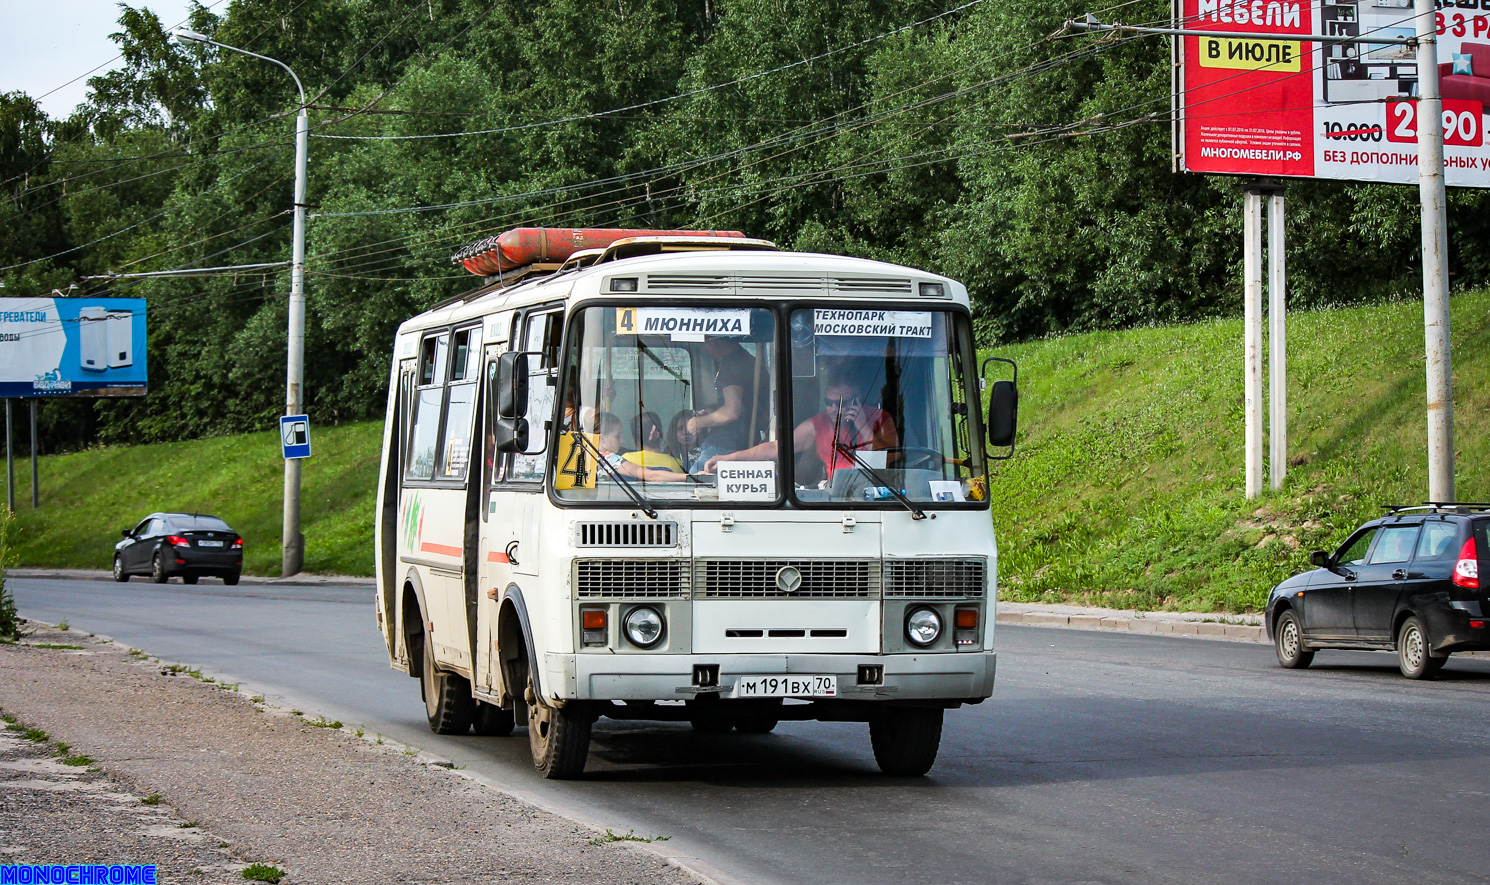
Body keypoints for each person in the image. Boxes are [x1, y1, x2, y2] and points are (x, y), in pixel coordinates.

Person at [704, 375, 898, 478]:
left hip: (878, 492)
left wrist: (863, 426)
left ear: (856, 401)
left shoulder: (881, 418)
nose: (832, 408)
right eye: (827, 402)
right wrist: (728, 459)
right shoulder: (818, 424)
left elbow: (890, 460)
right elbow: (776, 448)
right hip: (839, 494)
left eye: (839, 403)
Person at [687, 336, 768, 469]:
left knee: (692, 485)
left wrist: (697, 422)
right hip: (745, 441)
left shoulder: (732, 364)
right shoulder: (748, 361)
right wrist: (713, 412)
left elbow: (732, 412)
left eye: (705, 343)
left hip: (726, 445)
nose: (705, 349)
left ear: (714, 341)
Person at [592, 412, 687, 483]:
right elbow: (651, 475)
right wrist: (691, 477)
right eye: (618, 436)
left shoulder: (584, 457)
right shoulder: (610, 459)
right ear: (602, 439)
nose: (622, 441)